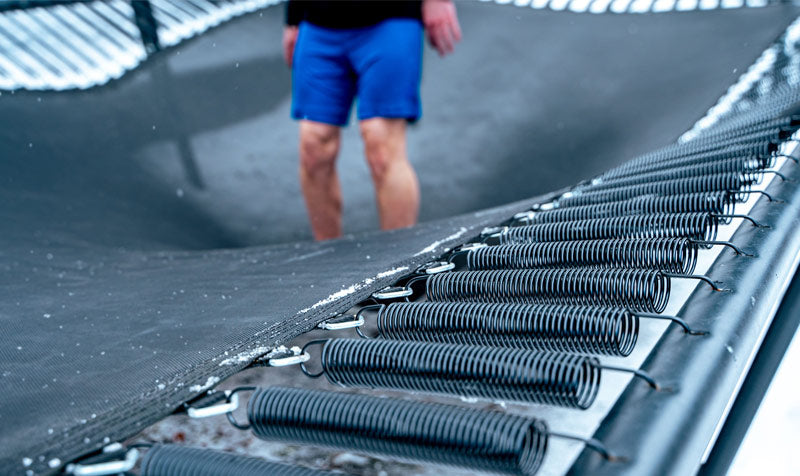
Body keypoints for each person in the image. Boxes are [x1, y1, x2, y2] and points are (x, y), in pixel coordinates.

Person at [282, 0, 461, 240]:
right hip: (318, 21)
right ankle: (325, 257)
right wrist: (292, 17)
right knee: (314, 148)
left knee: (382, 147)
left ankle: (399, 266)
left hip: (390, 18)